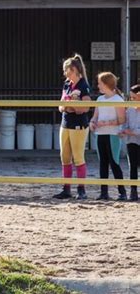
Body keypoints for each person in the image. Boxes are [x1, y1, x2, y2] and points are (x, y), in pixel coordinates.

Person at [54, 54, 91, 200]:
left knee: (78, 157)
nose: (65, 73)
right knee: (65, 156)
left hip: (78, 125)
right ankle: (66, 188)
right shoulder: (67, 84)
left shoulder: (83, 85)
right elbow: (61, 105)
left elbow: (85, 108)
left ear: (74, 69)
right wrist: (68, 106)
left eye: (67, 70)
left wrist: (71, 106)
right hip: (65, 123)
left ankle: (81, 189)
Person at [90, 72, 127, 201]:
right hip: (101, 134)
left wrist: (106, 123)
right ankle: (103, 192)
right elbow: (95, 116)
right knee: (103, 164)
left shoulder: (118, 100)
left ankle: (122, 192)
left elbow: (122, 120)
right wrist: (92, 123)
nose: (98, 85)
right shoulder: (99, 99)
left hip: (113, 135)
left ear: (106, 84)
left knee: (114, 163)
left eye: (100, 83)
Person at [119, 84, 140, 201]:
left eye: (134, 98)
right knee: (132, 166)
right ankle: (133, 191)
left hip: (136, 138)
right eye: (131, 98)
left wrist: (132, 132)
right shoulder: (129, 110)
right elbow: (124, 124)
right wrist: (123, 131)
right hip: (131, 141)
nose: (132, 100)